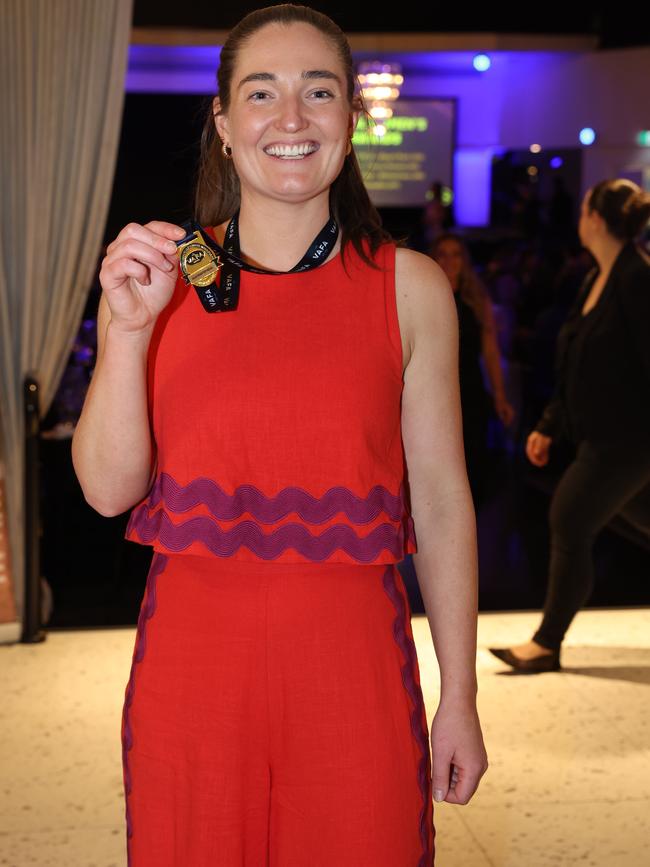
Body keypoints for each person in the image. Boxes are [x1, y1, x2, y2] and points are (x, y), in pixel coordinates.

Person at [72, 5, 487, 864]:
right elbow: (109, 489)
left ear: (350, 118)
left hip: (356, 679)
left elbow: (443, 502)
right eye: (261, 93)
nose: (290, 118)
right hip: (193, 679)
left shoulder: (406, 288)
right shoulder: (167, 275)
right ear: (224, 124)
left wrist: (461, 696)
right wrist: (127, 331)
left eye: (318, 91)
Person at [490, 178, 650, 673]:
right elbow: (575, 361)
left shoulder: (636, 278)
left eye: (584, 208)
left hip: (627, 440)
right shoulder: (595, 277)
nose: (579, 217)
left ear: (597, 219)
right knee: (631, 518)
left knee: (569, 517)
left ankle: (545, 643)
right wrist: (548, 425)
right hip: (598, 436)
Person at [431, 233, 515, 505]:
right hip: (434, 390)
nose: (450, 261)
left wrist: (500, 395)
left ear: (464, 260)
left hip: (470, 387)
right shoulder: (426, 293)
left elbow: (490, 350)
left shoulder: (476, 298)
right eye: (443, 254)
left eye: (456, 254)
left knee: (472, 458)